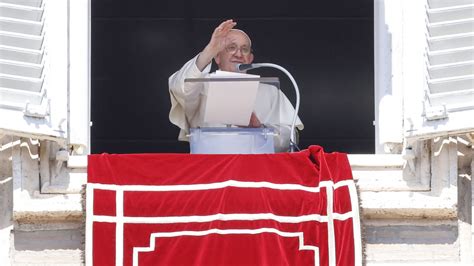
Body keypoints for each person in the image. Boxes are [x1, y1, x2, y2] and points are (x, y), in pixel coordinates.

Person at [168, 19, 303, 152]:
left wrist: (261, 128)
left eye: (244, 49)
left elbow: (290, 136)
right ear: (217, 57)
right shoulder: (200, 85)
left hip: (255, 171)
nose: (238, 54)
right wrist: (209, 50)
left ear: (250, 59)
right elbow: (179, 88)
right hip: (210, 169)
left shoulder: (270, 91)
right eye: (231, 48)